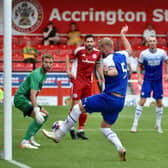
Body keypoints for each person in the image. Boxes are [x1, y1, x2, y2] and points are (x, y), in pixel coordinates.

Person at [42, 25, 132, 161]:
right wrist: (122, 35)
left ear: (104, 48)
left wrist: (107, 72)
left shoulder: (108, 60)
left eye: (101, 49)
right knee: (105, 128)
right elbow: (130, 50)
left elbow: (114, 72)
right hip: (120, 102)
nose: (100, 52)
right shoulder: (122, 55)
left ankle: (58, 134)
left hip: (109, 98)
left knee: (77, 107)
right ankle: (120, 147)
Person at [66, 34, 104, 140]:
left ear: (94, 43)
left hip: (88, 82)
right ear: (85, 42)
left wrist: (101, 77)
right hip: (77, 81)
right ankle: (71, 127)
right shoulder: (79, 51)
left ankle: (81, 130)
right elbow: (68, 57)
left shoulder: (97, 53)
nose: (90, 43)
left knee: (85, 106)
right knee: (75, 105)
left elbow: (98, 65)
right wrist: (68, 70)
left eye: (91, 41)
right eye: (88, 41)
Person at [14, 54, 54, 149]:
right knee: (40, 116)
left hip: (26, 99)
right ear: (42, 63)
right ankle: (24, 142)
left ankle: (30, 138)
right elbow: (32, 94)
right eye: (46, 62)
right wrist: (36, 110)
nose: (48, 65)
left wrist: (37, 107)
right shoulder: (37, 74)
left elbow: (36, 93)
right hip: (21, 98)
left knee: (45, 115)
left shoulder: (44, 74)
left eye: (50, 63)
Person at [130, 36, 168, 133]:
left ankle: (158, 125)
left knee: (159, 102)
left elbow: (167, 62)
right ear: (148, 43)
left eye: (153, 41)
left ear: (156, 42)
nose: (152, 43)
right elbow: (139, 65)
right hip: (147, 80)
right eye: (150, 41)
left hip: (158, 81)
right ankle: (135, 125)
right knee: (142, 101)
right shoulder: (144, 54)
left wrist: (167, 73)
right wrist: (139, 77)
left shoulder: (162, 53)